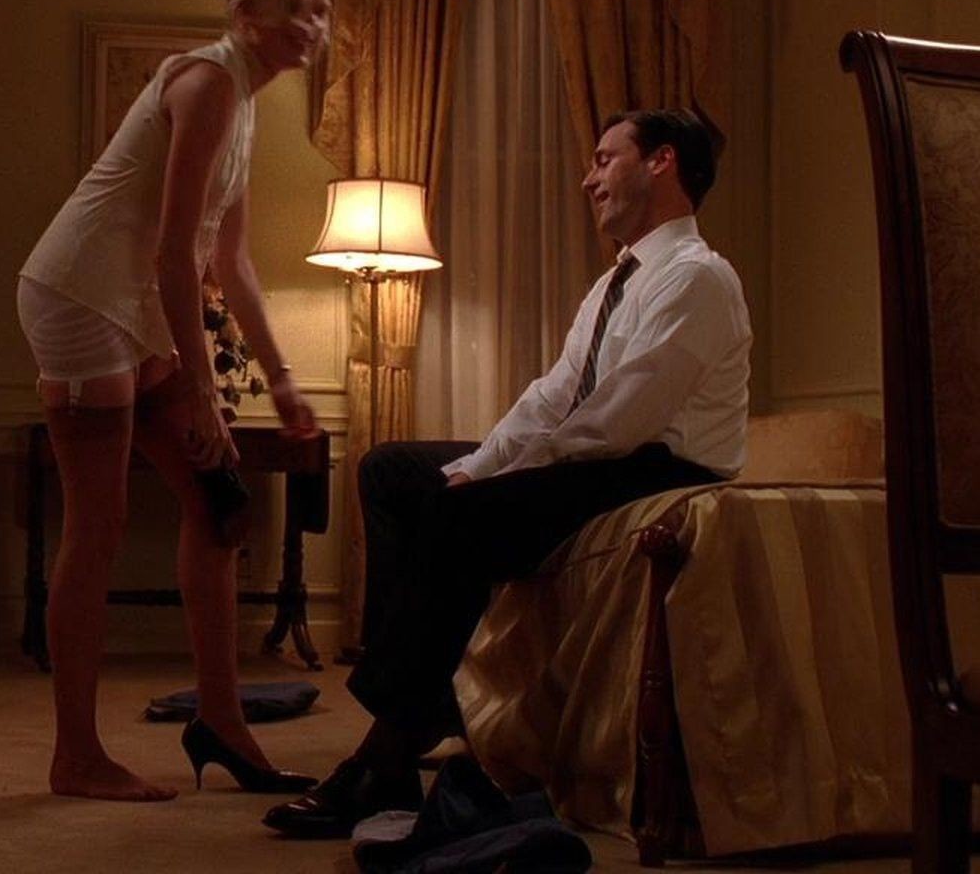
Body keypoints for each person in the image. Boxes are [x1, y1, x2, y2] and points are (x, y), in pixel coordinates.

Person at [264, 108, 752, 837]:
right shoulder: (614, 283)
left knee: (460, 512)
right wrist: (478, 464)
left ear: (663, 161)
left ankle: (386, 754)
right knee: (393, 471)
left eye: (605, 158)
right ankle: (427, 705)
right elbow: (553, 397)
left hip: (659, 471)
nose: (588, 178)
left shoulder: (697, 279)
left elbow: (618, 419)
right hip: (602, 455)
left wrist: (495, 479)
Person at [18, 0, 330, 802]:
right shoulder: (206, 83)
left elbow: (231, 260)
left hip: (136, 306)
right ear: (245, 13)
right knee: (99, 524)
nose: (313, 25)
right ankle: (76, 757)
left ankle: (221, 722)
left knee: (219, 506)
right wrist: (200, 387)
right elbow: (169, 252)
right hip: (80, 296)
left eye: (321, 11)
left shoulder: (247, 103)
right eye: (297, 8)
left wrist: (280, 377)